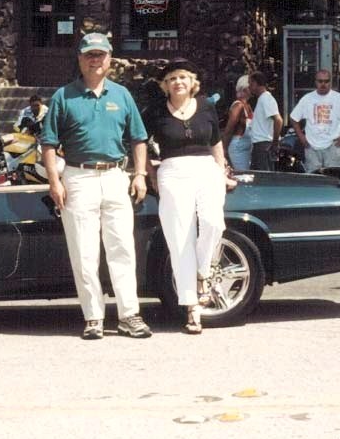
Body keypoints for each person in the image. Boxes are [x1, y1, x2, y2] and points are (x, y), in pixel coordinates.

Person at [40, 32, 151, 340]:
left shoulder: (122, 95)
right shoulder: (64, 96)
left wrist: (139, 174)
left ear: (109, 59)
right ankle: (94, 318)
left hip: (116, 177)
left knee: (122, 249)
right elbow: (48, 143)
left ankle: (129, 315)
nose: (95, 59)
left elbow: (138, 138)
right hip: (78, 177)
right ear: (80, 58)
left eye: (100, 54)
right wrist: (55, 182)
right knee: (84, 252)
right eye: (89, 54)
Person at [143, 60, 229, 334]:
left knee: (213, 222)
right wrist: (150, 175)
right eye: (171, 78)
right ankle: (192, 308)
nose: (177, 82)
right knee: (180, 237)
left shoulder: (206, 106)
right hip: (172, 171)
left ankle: (203, 271)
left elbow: (215, 141)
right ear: (164, 85)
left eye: (182, 77)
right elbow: (140, 143)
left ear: (192, 82)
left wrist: (222, 170)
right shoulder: (155, 111)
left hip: (206, 168)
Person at [289, 70, 340, 172]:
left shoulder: (339, 99)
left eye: (326, 81)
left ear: (330, 82)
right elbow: (293, 118)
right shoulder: (307, 99)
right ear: (315, 82)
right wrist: (302, 138)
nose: (323, 84)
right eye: (320, 81)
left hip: (333, 145)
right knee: (314, 180)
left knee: (334, 177)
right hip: (311, 146)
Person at [248, 72, 282, 171]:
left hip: (264, 145)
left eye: (250, 83)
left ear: (255, 83)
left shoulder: (266, 99)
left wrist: (275, 142)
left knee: (264, 177)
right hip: (260, 144)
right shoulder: (262, 99)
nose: (249, 86)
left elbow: (278, 120)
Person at [222, 75, 253, 170]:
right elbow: (229, 128)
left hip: (247, 145)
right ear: (244, 88)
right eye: (250, 86)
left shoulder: (248, 106)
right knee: (243, 175)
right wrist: (224, 149)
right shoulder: (238, 106)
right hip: (238, 147)